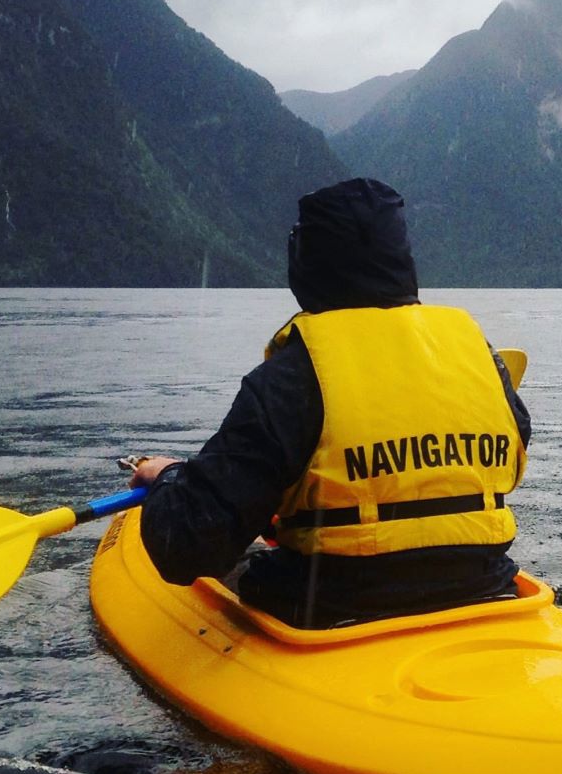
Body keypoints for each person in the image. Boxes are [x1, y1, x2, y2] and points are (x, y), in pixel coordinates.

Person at [127, 178, 531, 628]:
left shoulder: (291, 378)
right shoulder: (481, 356)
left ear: (305, 260)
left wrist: (167, 478)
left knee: (234, 561)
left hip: (330, 608)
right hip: (484, 588)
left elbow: (186, 547)